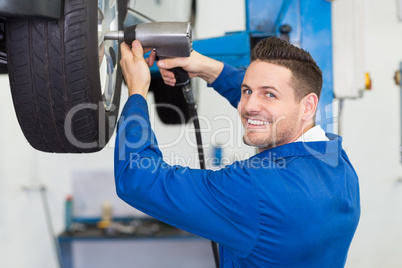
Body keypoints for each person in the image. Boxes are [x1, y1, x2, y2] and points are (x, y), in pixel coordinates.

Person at [115, 37, 360, 267]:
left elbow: (136, 178)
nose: (248, 106)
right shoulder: (337, 161)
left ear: (308, 105)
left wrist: (137, 90)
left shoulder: (255, 187)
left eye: (269, 94)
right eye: (247, 91)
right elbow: (270, 112)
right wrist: (209, 69)